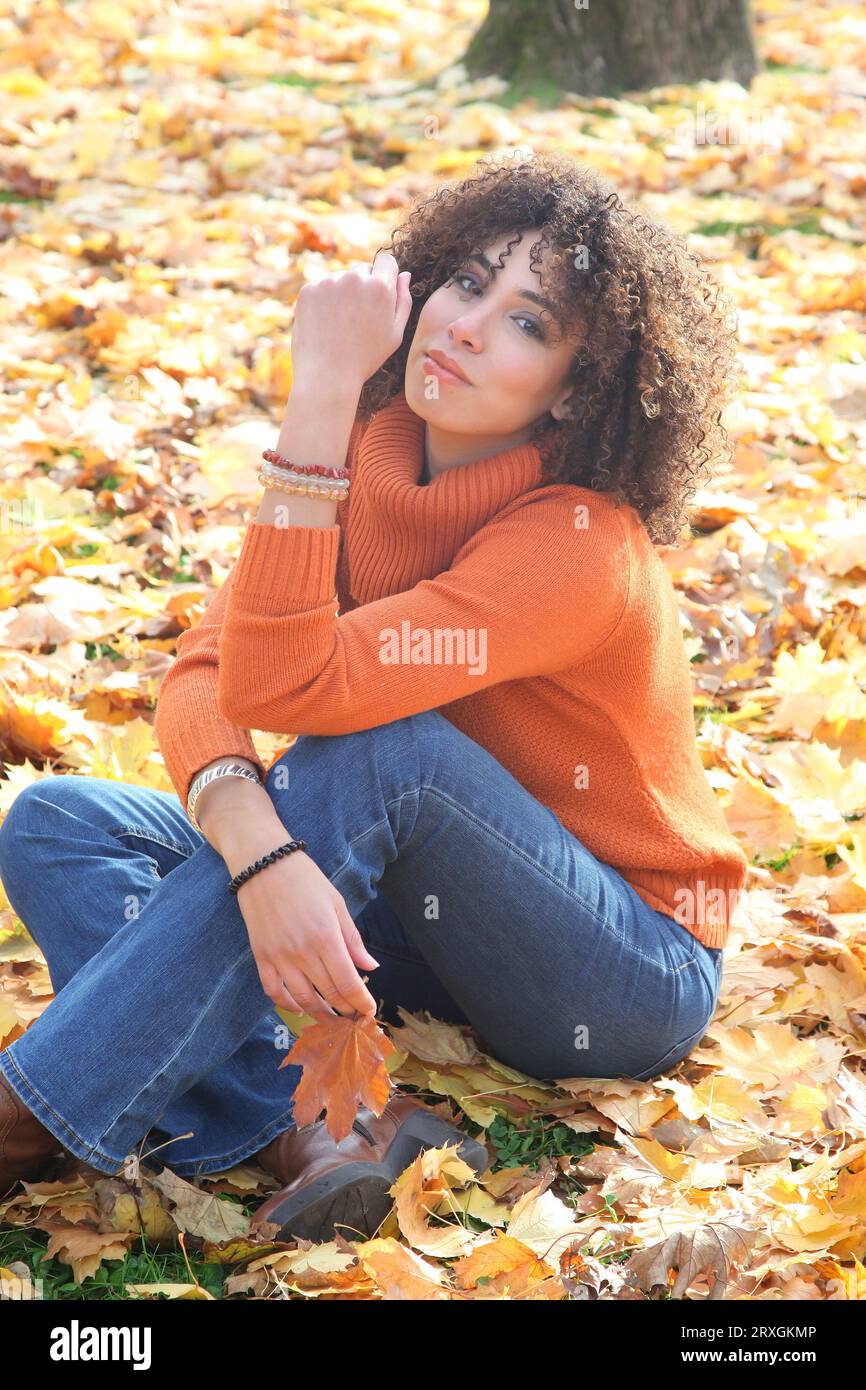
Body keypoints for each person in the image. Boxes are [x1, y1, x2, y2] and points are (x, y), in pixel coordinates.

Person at [0, 152, 748, 1244]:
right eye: (467, 283)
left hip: (615, 964)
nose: (469, 325)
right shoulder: (367, 453)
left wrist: (314, 398)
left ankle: (27, 1115)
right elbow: (206, 673)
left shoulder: (576, 545)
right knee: (61, 821)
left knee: (380, 748)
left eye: (530, 323)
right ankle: (312, 1125)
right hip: (415, 916)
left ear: (576, 389)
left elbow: (291, 686)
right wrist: (256, 847)